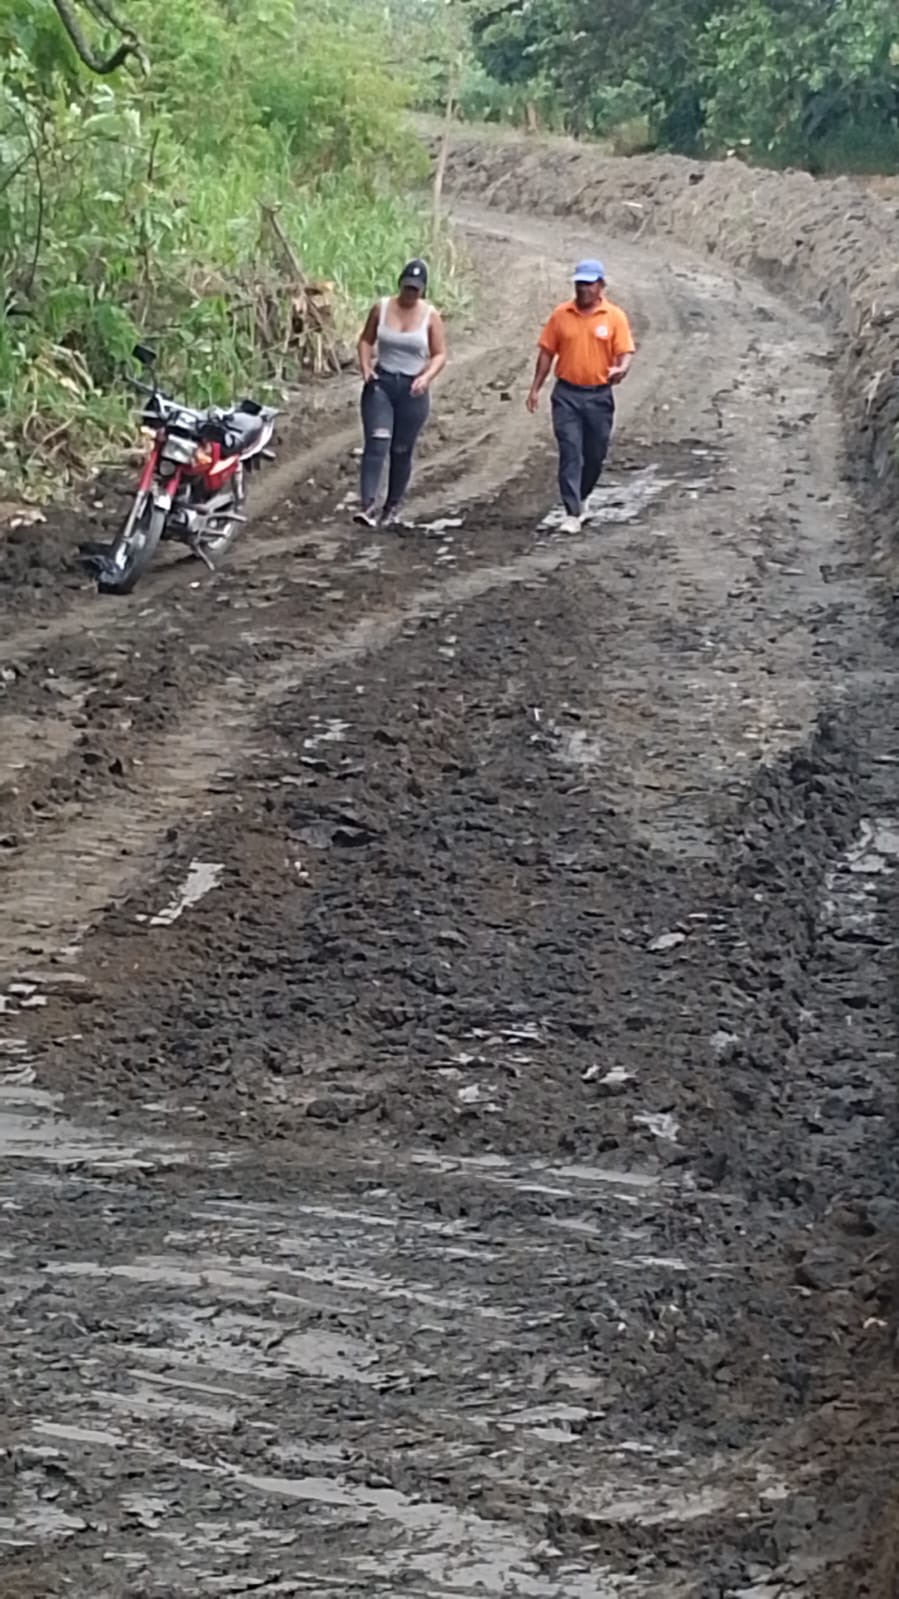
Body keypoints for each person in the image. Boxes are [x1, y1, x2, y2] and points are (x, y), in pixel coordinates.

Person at [527, 259, 635, 534]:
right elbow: (546, 353)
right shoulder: (561, 315)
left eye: (588, 284)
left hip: (599, 396)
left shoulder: (614, 317)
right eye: (579, 284)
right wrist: (535, 388)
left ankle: (583, 495)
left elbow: (625, 351)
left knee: (595, 454)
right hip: (567, 395)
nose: (583, 289)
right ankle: (572, 512)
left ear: (601, 286)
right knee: (570, 450)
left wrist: (621, 368)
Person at [354, 259, 447, 528]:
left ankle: (392, 506)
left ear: (423, 290)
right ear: (399, 284)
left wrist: (426, 377)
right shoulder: (381, 308)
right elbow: (366, 340)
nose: (410, 294)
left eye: (415, 290)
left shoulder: (430, 316)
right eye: (407, 288)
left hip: (412, 389)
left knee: (401, 449)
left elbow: (440, 353)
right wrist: (365, 367)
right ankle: (367, 505)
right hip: (382, 383)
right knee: (377, 441)